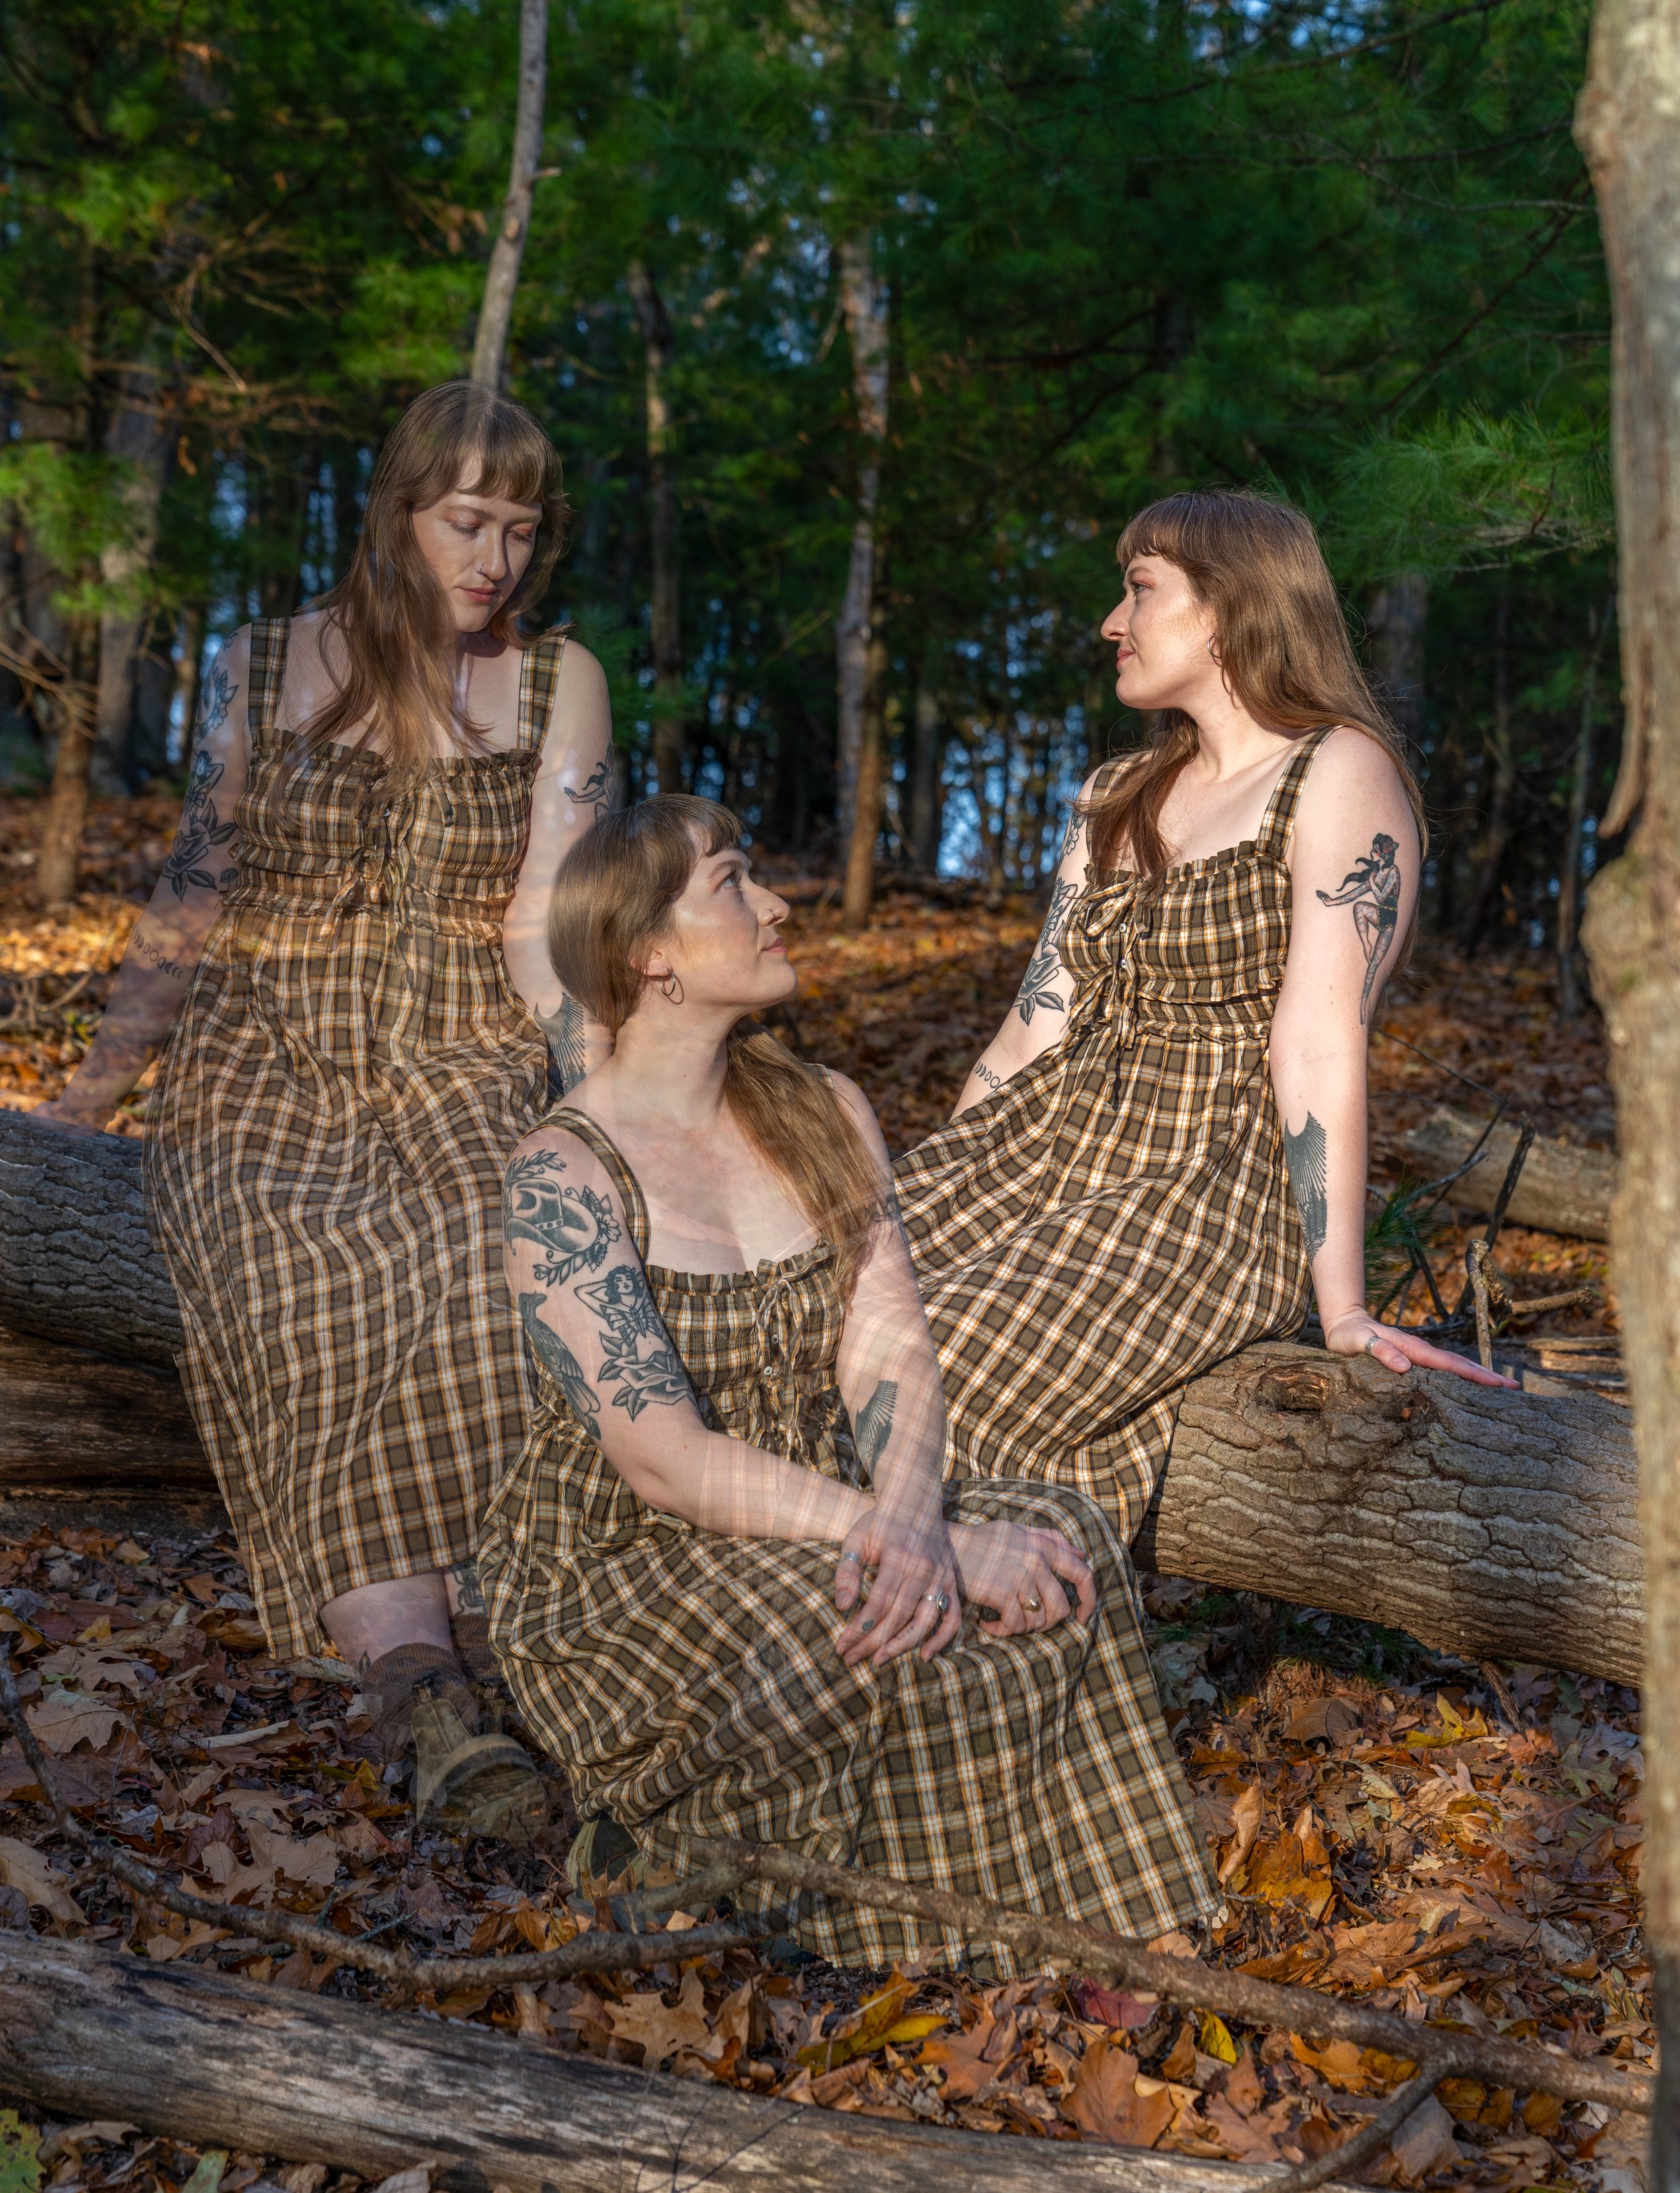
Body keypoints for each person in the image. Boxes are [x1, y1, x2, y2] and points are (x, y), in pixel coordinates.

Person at [478, 796, 1221, 1968]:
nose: (776, 904)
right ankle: (679, 1865)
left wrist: (920, 1521)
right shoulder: (564, 1172)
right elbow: (662, 1458)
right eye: (732, 882)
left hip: (824, 1500)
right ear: (648, 953)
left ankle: (1114, 1925)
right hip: (625, 1560)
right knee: (860, 1628)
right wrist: (903, 1544)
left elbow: (891, 1348)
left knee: (1061, 1533)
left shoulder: (827, 1109)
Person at [38, 381, 615, 1839]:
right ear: (396, 512)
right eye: (464, 522)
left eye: (521, 531)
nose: (493, 560)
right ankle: (422, 1682)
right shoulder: (259, 664)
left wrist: (605, 1106)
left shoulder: (557, 683)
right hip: (267, 1058)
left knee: (490, 1273)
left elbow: (546, 923)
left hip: (464, 1051)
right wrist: (98, 1088)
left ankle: (491, 1679)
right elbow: (195, 892)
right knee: (304, 1272)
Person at [894, 491, 1511, 1550]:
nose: (1110, 622)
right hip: (1042, 1146)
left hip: (1205, 1179)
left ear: (1226, 609)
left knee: (930, 1366)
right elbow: (1028, 1032)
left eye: (1139, 589)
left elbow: (1317, 1043)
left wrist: (1344, 1308)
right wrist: (944, 1174)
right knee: (820, 1291)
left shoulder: (1337, 771)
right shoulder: (1118, 791)